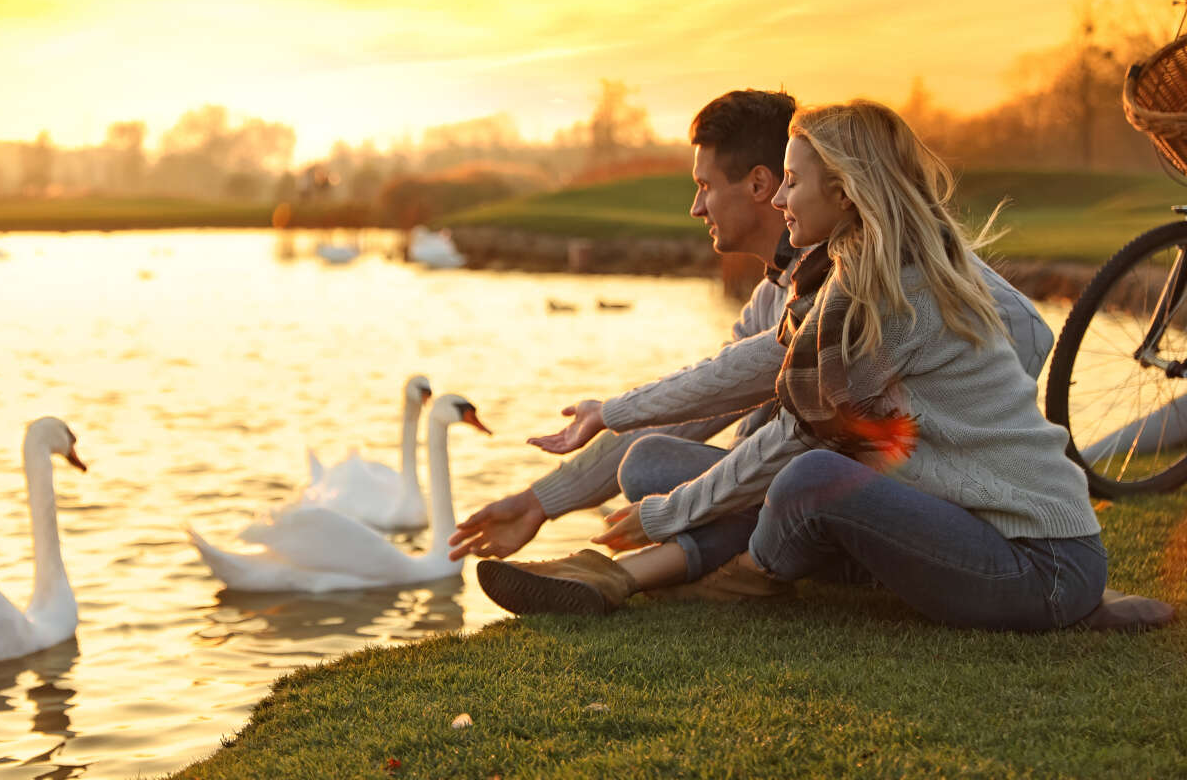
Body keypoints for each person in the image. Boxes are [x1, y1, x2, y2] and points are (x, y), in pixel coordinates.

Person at [477, 100, 1171, 631]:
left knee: (805, 472)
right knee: (667, 462)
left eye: (793, 182)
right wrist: (615, 412)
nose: (780, 199)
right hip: (948, 512)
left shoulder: (895, 290)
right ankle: (635, 572)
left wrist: (671, 516)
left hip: (1034, 562)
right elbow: (757, 364)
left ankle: (648, 576)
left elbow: (803, 438)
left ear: (843, 193)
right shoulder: (847, 281)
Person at [448, 89, 805, 562]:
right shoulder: (769, 296)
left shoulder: (831, 288)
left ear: (759, 185)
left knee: (650, 466)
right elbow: (694, 409)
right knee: (652, 459)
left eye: (705, 186)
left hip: (822, 495)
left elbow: (717, 385)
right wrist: (538, 503)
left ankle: (653, 569)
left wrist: (611, 411)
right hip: (784, 489)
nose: (696, 209)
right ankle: (669, 564)